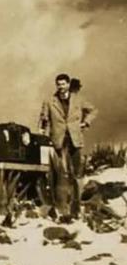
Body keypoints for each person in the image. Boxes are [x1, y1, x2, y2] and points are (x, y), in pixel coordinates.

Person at [38, 74, 97, 216]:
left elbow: (93, 110)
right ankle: (59, 203)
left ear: (68, 84)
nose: (61, 87)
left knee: (76, 172)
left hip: (74, 139)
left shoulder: (78, 99)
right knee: (59, 171)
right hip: (58, 140)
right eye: (58, 84)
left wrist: (85, 122)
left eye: (63, 84)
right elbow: (43, 118)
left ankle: (77, 203)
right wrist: (42, 131)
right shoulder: (50, 101)